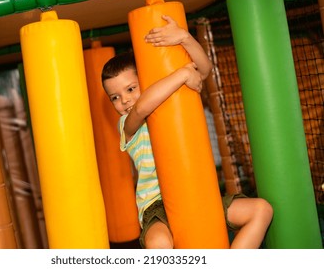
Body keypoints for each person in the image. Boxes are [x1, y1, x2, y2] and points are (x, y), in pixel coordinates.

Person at [101, 15, 273, 249]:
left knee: (261, 210)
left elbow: (203, 69)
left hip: (197, 191)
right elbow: (142, 107)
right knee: (159, 243)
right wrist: (182, 74)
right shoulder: (127, 124)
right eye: (115, 97)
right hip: (156, 204)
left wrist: (184, 37)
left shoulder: (171, 101)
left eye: (131, 88)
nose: (125, 100)